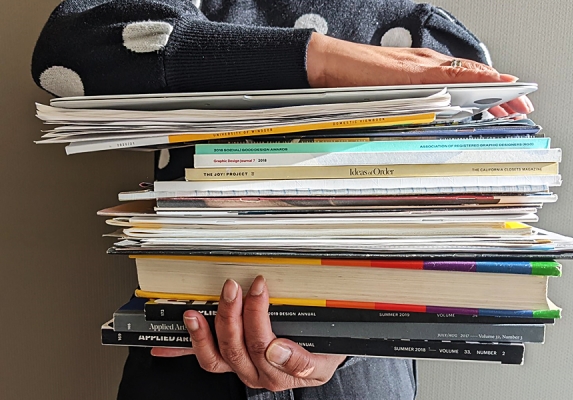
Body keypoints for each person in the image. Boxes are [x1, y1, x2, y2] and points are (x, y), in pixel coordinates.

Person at [31, 1, 533, 399]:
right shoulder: (183, 7)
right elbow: (68, 53)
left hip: (361, 374)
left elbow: (471, 220)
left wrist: (353, 341)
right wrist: (324, 61)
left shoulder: (419, 32)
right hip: (182, 344)